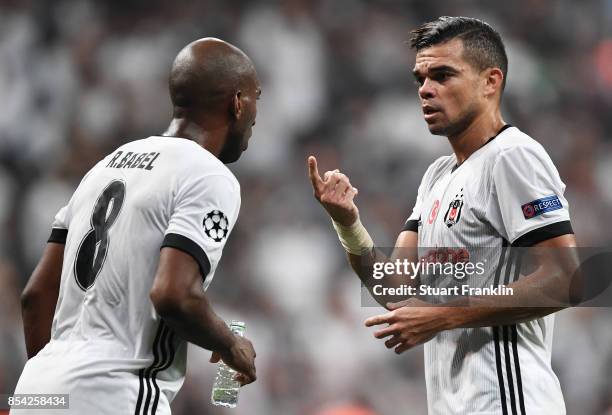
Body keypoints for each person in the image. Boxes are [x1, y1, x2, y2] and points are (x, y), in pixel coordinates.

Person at [308, 17, 577, 415]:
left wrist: (444, 314)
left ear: (491, 81)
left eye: (443, 75)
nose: (426, 90)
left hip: (509, 401)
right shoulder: (437, 175)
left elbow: (566, 278)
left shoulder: (512, 155)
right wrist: (348, 223)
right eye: (421, 79)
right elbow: (398, 291)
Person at [13, 37, 261, 415]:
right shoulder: (208, 174)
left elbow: (34, 297)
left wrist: (59, 388)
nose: (257, 116)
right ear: (238, 102)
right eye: (257, 97)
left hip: (36, 390)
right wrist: (230, 344)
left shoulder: (105, 166)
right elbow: (172, 295)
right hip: (116, 392)